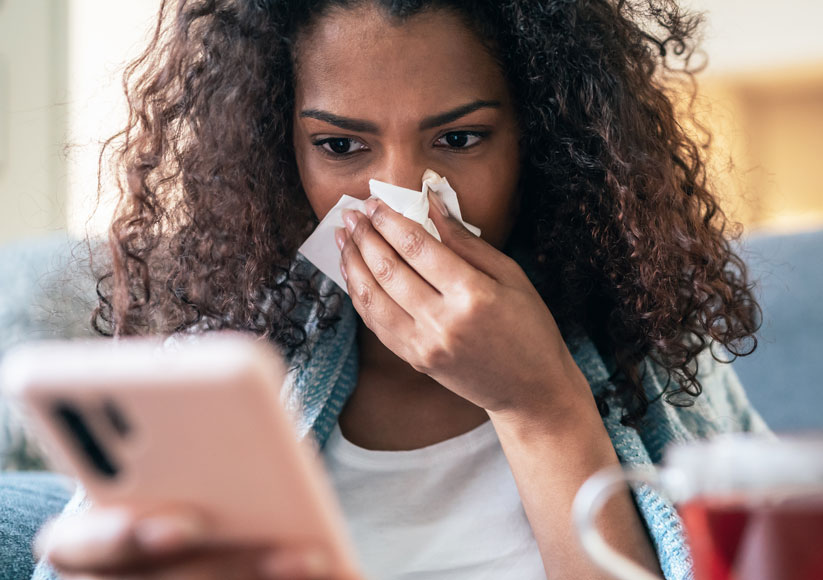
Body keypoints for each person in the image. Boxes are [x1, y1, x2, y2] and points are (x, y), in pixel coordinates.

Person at [29, 0, 768, 578]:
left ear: (541, 139)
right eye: (341, 146)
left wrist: (542, 406)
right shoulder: (211, 372)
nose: (405, 198)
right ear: (280, 153)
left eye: (460, 138)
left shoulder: (662, 355)